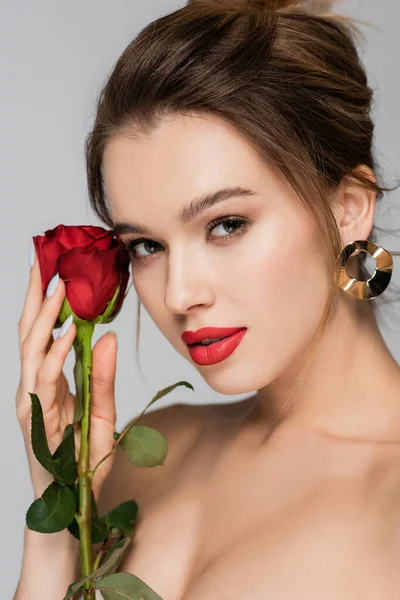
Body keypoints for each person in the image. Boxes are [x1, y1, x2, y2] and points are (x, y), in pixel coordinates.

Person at [14, 0, 400, 598]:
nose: (179, 293)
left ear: (347, 207)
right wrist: (56, 508)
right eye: (146, 244)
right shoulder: (147, 456)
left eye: (225, 225)